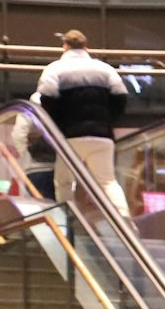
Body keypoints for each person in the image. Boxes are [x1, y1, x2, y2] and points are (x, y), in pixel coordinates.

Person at [34, 30, 130, 215]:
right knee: (107, 181)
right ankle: (123, 215)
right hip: (102, 136)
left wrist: (58, 125)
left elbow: (46, 98)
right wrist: (108, 121)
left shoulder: (55, 68)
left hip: (70, 137)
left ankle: (67, 216)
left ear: (65, 46)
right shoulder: (105, 69)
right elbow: (121, 97)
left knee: (64, 181)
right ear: (86, 47)